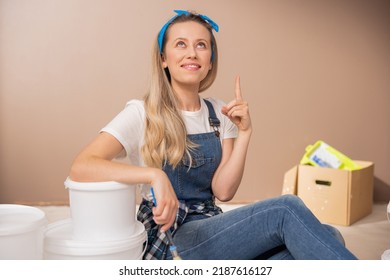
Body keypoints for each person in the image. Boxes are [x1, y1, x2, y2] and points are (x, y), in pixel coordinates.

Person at [69, 10, 357, 260]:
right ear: (164, 59)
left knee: (326, 236)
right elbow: (82, 166)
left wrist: (245, 134)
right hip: (174, 237)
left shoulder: (219, 113)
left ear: (209, 61)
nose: (192, 53)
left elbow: (223, 191)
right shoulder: (142, 113)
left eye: (201, 45)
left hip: (210, 229)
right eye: (180, 44)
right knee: (287, 210)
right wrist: (154, 176)